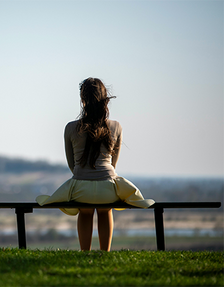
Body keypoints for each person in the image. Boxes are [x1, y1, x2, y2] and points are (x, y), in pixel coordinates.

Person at [36, 77, 154, 251]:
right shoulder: (116, 126)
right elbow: (113, 164)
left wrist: (85, 176)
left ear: (82, 100)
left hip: (80, 187)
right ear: (105, 99)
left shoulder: (70, 128)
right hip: (108, 187)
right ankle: (104, 254)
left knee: (85, 212)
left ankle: (85, 253)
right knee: (106, 211)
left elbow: (72, 164)